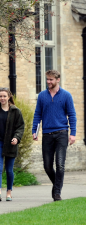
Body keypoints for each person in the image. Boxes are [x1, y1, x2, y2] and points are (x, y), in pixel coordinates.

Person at [32, 70, 76, 201]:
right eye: (47, 79)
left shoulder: (66, 95)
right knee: (47, 166)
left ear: (58, 80)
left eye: (51, 79)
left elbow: (72, 115)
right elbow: (37, 115)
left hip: (62, 133)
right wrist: (35, 131)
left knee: (60, 164)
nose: (48, 82)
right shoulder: (42, 96)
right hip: (47, 134)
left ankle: (57, 192)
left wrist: (73, 134)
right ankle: (57, 185)